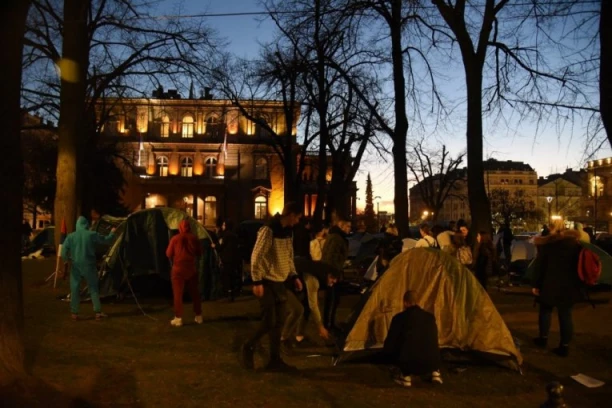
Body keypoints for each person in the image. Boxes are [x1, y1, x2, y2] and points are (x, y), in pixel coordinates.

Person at [240, 203, 303, 372]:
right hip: (267, 282)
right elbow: (257, 256)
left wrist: (294, 275)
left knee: (279, 323)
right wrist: (257, 281)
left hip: (280, 281)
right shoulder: (268, 230)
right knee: (269, 321)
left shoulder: (288, 232)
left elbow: (289, 256)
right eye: (297, 217)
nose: (297, 221)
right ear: (290, 214)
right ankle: (249, 346)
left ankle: (275, 360)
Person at [531, 220, 582, 357]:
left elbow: (540, 266)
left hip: (549, 283)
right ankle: (564, 346)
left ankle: (543, 338)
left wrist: (536, 284)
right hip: (569, 284)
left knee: (545, 311)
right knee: (566, 315)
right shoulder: (576, 245)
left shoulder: (548, 245)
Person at [61, 216, 116, 321]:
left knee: (75, 289)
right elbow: (106, 240)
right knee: (93, 288)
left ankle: (74, 313)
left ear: (77, 225)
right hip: (89, 265)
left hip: (76, 265)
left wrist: (67, 260)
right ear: (86, 224)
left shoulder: (71, 236)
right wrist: (112, 233)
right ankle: (98, 312)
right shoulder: (91, 234)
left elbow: (63, 251)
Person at [384, 290, 443, 387]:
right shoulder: (430, 317)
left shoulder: (399, 318)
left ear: (405, 303)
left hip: (409, 363)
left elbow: (390, 342)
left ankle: (405, 376)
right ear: (418, 301)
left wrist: (387, 355)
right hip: (432, 362)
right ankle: (435, 373)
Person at [166, 219, 204, 327]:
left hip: (178, 269)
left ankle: (178, 318)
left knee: (178, 294)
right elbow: (200, 252)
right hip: (191, 269)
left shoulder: (175, 239)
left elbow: (168, 253)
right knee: (195, 293)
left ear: (180, 227)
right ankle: (198, 315)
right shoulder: (194, 238)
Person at [293, 258, 340, 344]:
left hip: (299, 281)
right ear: (329, 275)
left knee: (306, 307)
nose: (331, 285)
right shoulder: (314, 280)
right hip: (289, 281)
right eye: (331, 281)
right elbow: (313, 305)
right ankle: (284, 338)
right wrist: (320, 327)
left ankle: (299, 336)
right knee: (298, 310)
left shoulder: (322, 273)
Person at [321, 219, 351, 330]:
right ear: (341, 226)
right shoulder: (336, 238)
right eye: (348, 226)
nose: (349, 229)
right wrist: (332, 273)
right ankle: (328, 324)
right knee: (331, 299)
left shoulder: (336, 237)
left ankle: (330, 322)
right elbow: (331, 256)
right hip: (332, 272)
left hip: (334, 271)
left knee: (333, 298)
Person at [218, 219, 240, 301]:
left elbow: (221, 247)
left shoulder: (225, 235)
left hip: (226, 259)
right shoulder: (234, 235)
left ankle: (227, 293)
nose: (222, 226)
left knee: (226, 276)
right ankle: (232, 293)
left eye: (224, 225)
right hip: (234, 259)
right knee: (232, 276)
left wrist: (215, 246)